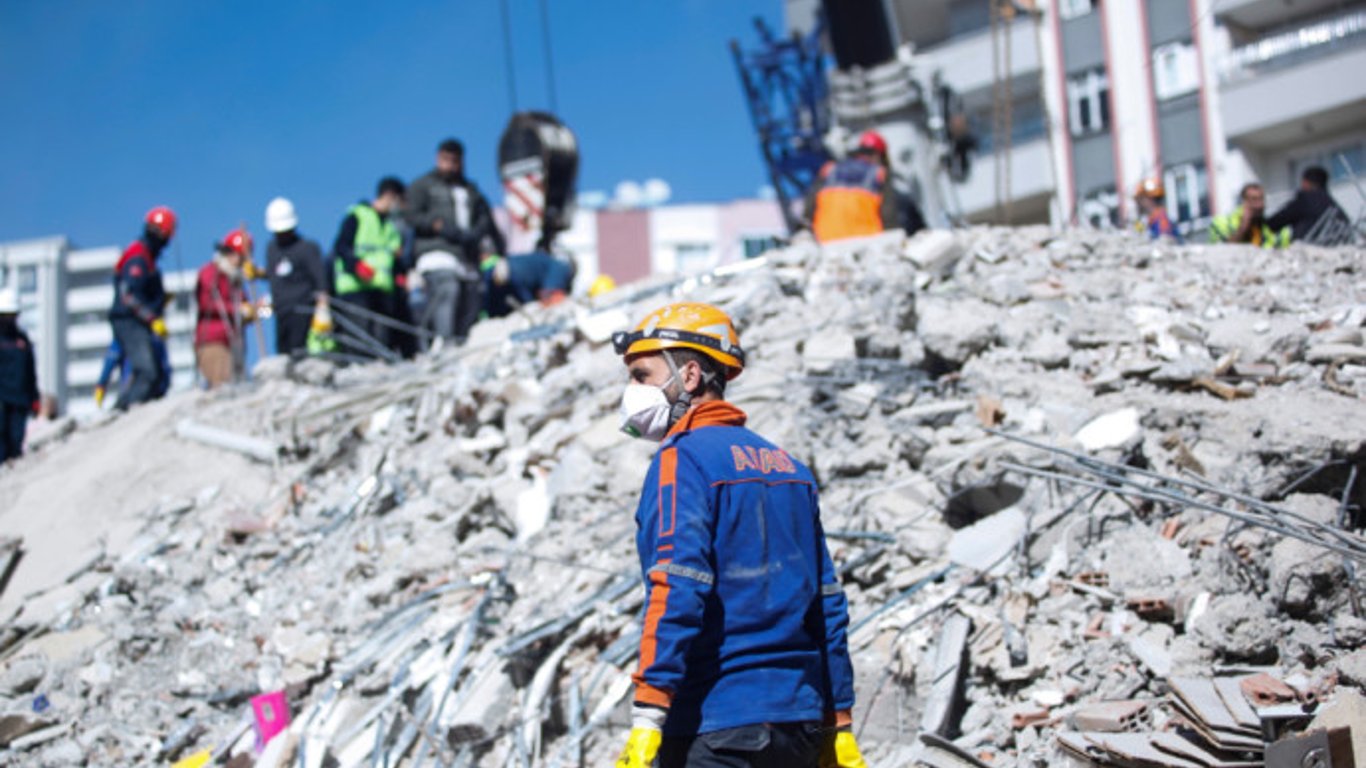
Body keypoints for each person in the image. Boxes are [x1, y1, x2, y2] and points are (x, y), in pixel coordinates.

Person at [611, 302, 866, 768]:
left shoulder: (682, 460)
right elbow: (827, 600)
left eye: (641, 376)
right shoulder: (791, 469)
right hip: (799, 726)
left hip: (716, 726)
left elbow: (678, 581)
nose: (631, 391)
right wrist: (840, 721)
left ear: (689, 376)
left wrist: (648, 713)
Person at [405, 138, 504, 344]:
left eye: (454, 160)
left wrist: (487, 242)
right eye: (445, 159)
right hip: (436, 251)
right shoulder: (423, 185)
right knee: (447, 289)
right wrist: (437, 225)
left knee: (471, 299)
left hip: (466, 255)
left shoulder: (471, 192)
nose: (449, 165)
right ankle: (443, 342)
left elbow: (487, 221)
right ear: (437, 158)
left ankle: (460, 344)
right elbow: (411, 216)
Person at [806, 129, 926, 243]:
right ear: (879, 156)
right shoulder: (880, 174)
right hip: (867, 242)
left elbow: (809, 211)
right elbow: (889, 216)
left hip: (826, 241)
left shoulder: (829, 170)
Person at [109, 206, 175, 410]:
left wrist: (160, 300)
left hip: (138, 321)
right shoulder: (138, 256)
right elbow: (128, 295)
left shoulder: (147, 257)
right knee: (147, 371)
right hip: (130, 321)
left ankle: (140, 410)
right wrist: (151, 317)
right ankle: (124, 413)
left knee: (160, 375)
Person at [332, 177, 406, 352]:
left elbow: (392, 258)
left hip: (381, 290)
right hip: (355, 288)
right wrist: (356, 265)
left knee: (380, 340)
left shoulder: (390, 228)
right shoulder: (358, 215)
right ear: (389, 196)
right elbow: (341, 246)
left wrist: (400, 276)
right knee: (359, 337)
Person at [264, 197, 328, 357]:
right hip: (281, 310)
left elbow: (321, 280)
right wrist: (259, 274)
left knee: (300, 351)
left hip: (303, 308)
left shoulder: (307, 248)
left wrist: (323, 309)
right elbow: (275, 275)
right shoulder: (271, 249)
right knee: (283, 351)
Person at [195, 229, 259, 388]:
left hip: (234, 343)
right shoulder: (211, 272)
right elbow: (207, 303)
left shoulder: (236, 279)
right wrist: (238, 310)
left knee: (238, 385)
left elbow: (243, 306)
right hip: (213, 343)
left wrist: (252, 311)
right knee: (223, 387)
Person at [0, 289, 40, 462]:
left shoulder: (22, 340)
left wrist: (35, 398)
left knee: (16, 440)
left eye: (13, 314)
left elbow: (30, 372)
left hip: (20, 399)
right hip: (1, 399)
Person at [1266, 165, 1353, 245]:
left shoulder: (1305, 199)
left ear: (1305, 182)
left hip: (1307, 251)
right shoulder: (1337, 209)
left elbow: (1276, 222)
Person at [479, 250, 573, 318]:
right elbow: (547, 294)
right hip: (513, 276)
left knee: (488, 309)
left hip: (500, 269)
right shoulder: (561, 268)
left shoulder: (546, 259)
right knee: (531, 312)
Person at [94, 334, 171, 408]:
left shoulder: (126, 335)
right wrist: (101, 385)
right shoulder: (153, 336)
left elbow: (110, 361)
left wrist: (101, 385)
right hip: (149, 390)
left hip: (134, 391)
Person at [1209, 183, 1289, 248]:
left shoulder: (1275, 228)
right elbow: (1222, 252)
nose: (1259, 205)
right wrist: (1243, 227)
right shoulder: (1221, 223)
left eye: (1261, 199)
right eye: (1254, 199)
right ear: (1243, 202)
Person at [1133, 177, 1182, 243]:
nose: (1138, 205)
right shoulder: (1145, 221)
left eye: (1140, 200)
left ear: (1148, 200)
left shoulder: (1162, 220)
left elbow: (1165, 242)